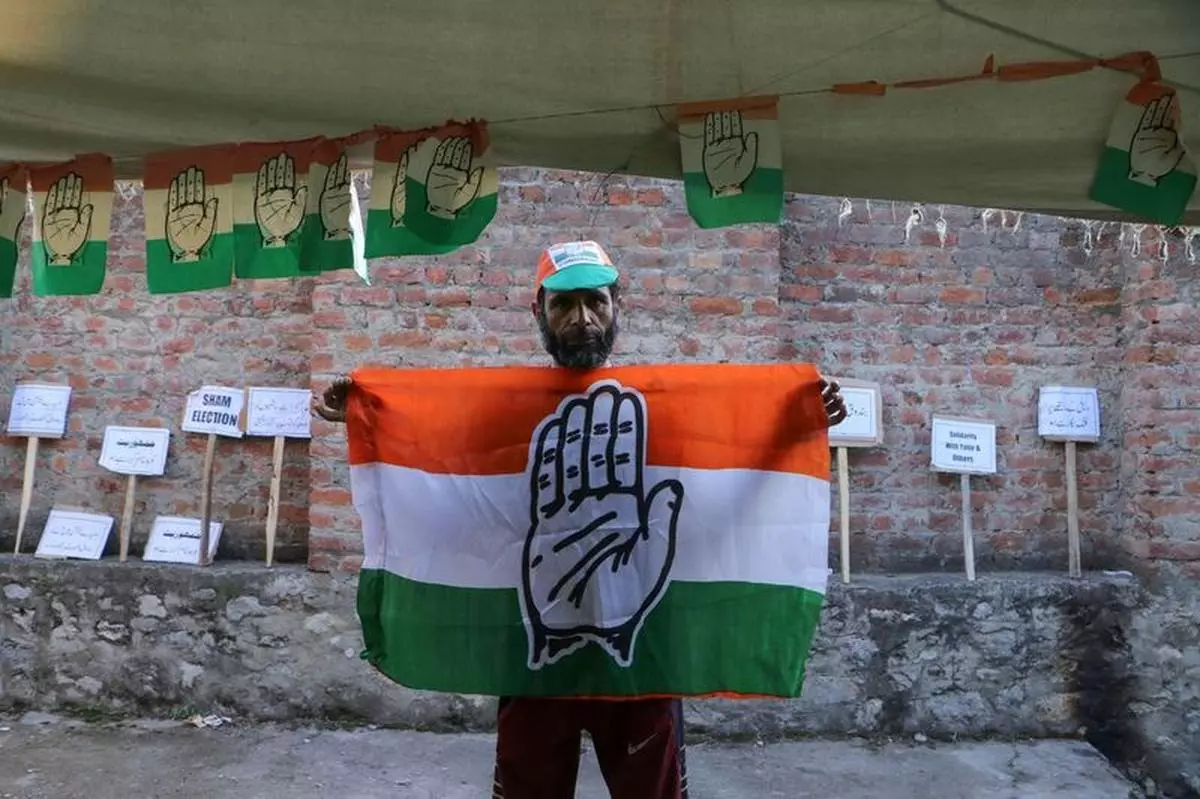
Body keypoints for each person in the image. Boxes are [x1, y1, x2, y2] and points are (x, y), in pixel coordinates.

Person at [312, 240, 848, 799]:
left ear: (618, 305)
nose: (581, 320)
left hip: (641, 650)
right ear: (537, 311)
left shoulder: (662, 408)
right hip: (533, 652)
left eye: (594, 302)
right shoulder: (505, 413)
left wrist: (804, 417)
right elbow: (439, 457)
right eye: (563, 305)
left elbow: (738, 448)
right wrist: (363, 413)